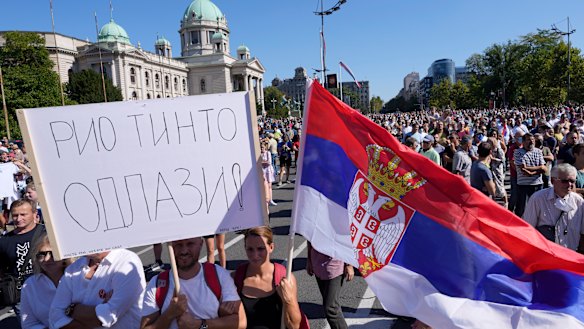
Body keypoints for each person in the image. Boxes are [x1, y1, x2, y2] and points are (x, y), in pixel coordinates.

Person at [140, 237, 246, 329]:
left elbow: (240, 322)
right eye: (178, 245)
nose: (184, 251)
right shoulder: (157, 284)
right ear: (170, 246)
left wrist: (200, 325)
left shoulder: (219, 275)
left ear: (200, 244)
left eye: (190, 244)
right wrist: (169, 314)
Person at [49, 248, 146, 329]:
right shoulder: (74, 268)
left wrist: (72, 309)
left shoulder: (126, 261)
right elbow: (55, 318)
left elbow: (107, 316)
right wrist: (93, 314)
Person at [233, 227, 302, 329]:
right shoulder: (235, 278)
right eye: (250, 249)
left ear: (271, 247)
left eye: (260, 249)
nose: (255, 255)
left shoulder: (285, 279)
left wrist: (289, 300)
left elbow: (294, 326)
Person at [522, 164, 584, 252]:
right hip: (546, 255)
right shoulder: (538, 199)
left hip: (571, 255)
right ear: (552, 180)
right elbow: (528, 228)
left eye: (572, 181)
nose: (569, 184)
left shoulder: (579, 202)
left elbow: (582, 233)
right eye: (564, 181)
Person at [20, 232, 72, 329]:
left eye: (53, 254)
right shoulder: (30, 285)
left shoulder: (77, 278)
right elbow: (28, 323)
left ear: (64, 257)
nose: (47, 259)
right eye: (42, 255)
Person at [0, 199, 43, 294]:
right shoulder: (4, 240)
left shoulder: (46, 233)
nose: (19, 219)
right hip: (20, 294)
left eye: (23, 214)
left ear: (34, 213)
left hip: (47, 288)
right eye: (15, 215)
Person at [307, 243, 353, 329]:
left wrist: (349, 264)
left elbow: (346, 238)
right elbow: (310, 237)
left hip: (334, 266)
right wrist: (309, 260)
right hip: (317, 264)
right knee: (331, 306)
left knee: (331, 308)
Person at [513, 133, 546, 217]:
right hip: (524, 185)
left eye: (532, 140)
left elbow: (544, 168)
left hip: (538, 184)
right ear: (523, 142)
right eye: (528, 140)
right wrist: (539, 168)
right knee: (522, 209)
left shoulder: (538, 151)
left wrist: (531, 172)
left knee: (538, 208)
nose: (531, 141)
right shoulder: (518, 152)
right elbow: (523, 168)